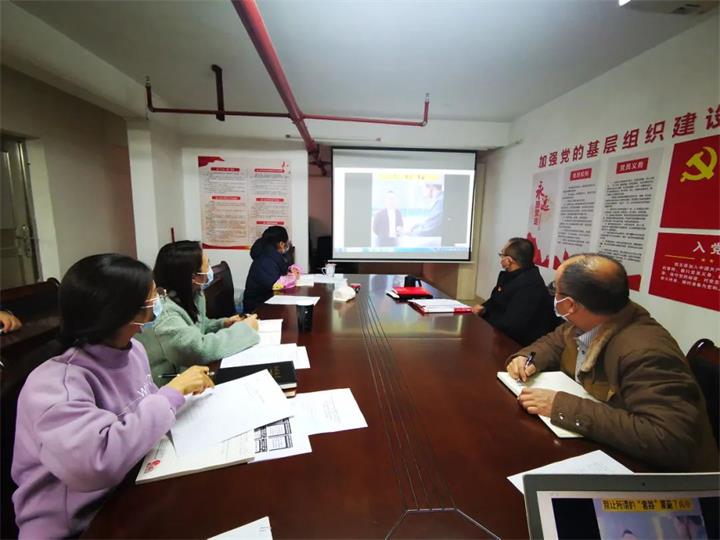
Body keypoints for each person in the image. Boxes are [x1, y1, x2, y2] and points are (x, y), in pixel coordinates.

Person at [11, 254, 214, 539]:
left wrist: (176, 397)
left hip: (130, 490)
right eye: (153, 296)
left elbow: (144, 413)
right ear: (122, 312)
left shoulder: (133, 350)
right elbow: (97, 463)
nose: (159, 301)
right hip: (79, 526)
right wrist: (172, 393)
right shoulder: (54, 384)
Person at [508, 254, 718, 472]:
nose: (552, 293)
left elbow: (670, 439)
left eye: (556, 289)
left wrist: (560, 406)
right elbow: (554, 342)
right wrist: (526, 357)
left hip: (657, 476)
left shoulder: (645, 352)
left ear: (569, 305)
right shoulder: (593, 317)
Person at [137, 241, 260, 385]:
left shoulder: (193, 294)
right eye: (207, 265)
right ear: (193, 277)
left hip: (191, 375)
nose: (210, 269)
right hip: (170, 383)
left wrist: (223, 323)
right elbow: (199, 350)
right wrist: (245, 330)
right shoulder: (165, 314)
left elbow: (199, 325)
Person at [472, 237, 558, 345]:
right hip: (499, 331)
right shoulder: (510, 276)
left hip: (517, 342)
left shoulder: (530, 286)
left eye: (502, 255)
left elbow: (511, 325)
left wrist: (484, 317)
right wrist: (484, 307)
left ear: (508, 260)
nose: (501, 258)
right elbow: (495, 299)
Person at [243, 226, 301, 313]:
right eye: (286, 243)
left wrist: (291, 268)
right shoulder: (265, 259)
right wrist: (293, 277)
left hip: (268, 300)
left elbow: (284, 266)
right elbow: (276, 284)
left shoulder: (272, 253)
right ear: (281, 244)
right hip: (256, 308)